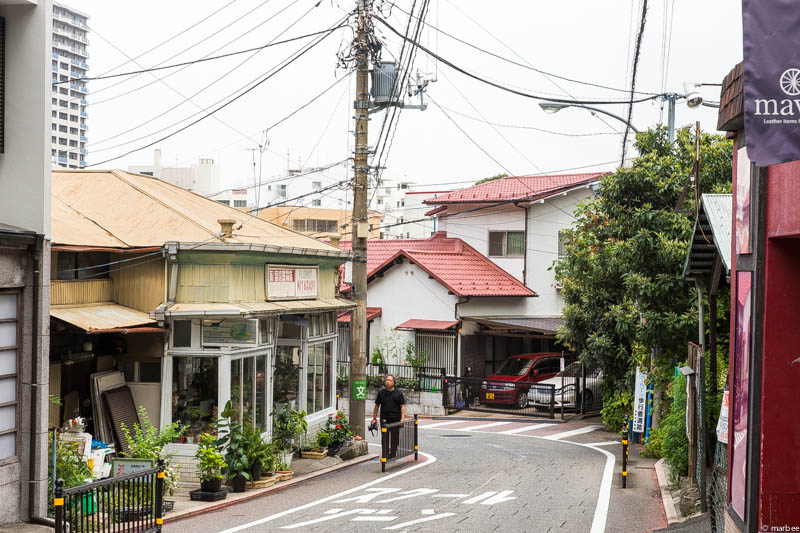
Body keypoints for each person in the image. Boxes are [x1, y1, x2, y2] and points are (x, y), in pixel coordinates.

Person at [371, 374, 406, 458]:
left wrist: (402, 419)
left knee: (395, 437)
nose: (387, 382)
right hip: (384, 419)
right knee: (384, 438)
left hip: (395, 419)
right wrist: (374, 418)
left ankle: (393, 453)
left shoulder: (398, 393)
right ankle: (385, 453)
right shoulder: (381, 393)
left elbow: (403, 406)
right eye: (386, 380)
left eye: (390, 380)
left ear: (394, 382)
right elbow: (377, 406)